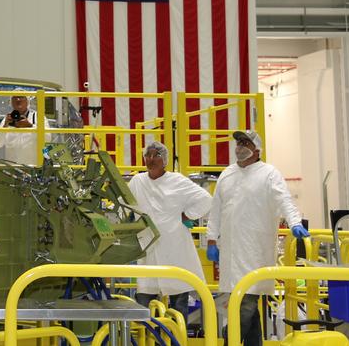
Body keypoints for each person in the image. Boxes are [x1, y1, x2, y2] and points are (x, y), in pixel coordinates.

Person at [207, 130, 306, 346]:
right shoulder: (227, 174)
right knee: (243, 307)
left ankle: (228, 342)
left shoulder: (269, 173)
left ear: (257, 149)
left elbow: (284, 200)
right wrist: (211, 239)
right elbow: (216, 209)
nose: (240, 147)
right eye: (238, 142)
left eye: (245, 143)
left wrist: (295, 222)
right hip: (230, 254)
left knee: (245, 306)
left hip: (255, 253)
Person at [129, 140, 213, 319]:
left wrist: (187, 215)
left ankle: (177, 340)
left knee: (178, 307)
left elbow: (206, 199)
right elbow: (123, 203)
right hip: (148, 249)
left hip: (175, 250)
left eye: (156, 155)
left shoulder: (177, 181)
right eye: (148, 155)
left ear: (165, 160)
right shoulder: (137, 181)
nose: (151, 159)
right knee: (144, 303)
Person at [0, 95, 39, 165]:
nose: (18, 100)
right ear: (11, 102)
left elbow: (47, 139)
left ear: (28, 101)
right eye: (15, 97)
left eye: (21, 97)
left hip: (32, 167)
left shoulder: (37, 117)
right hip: (12, 170)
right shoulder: (8, 119)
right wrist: (5, 126)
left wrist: (30, 126)